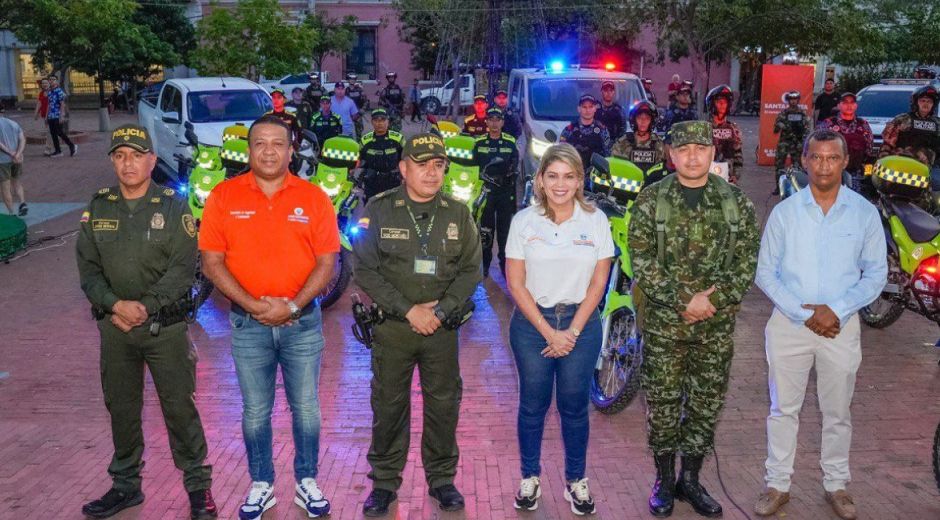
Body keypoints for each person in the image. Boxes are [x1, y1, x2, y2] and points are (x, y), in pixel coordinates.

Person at [199, 115, 340, 520]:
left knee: (307, 408)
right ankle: (261, 483)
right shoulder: (224, 197)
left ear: (291, 150)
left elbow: (327, 262)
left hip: (303, 323)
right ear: (249, 150)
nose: (268, 151)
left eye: (277, 143)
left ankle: (306, 481)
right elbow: (212, 262)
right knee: (256, 411)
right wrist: (254, 305)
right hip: (248, 324)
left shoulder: (314, 198)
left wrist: (292, 305)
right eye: (259, 143)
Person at [75, 124, 216, 520]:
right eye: (120, 156)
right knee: (120, 407)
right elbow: (87, 268)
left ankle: (198, 488)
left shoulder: (172, 205)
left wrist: (146, 305)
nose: (128, 163)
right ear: (112, 162)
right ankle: (125, 486)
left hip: (165, 330)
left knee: (179, 408)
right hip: (115, 329)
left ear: (152, 160)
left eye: (136, 155)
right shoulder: (99, 205)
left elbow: (183, 268)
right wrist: (115, 304)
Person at [628, 120, 760, 518]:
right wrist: (684, 299)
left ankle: (692, 479)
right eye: (682, 149)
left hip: (714, 326)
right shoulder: (652, 200)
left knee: (706, 404)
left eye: (699, 149)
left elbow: (746, 263)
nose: (691, 156)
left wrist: (710, 301)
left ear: (712, 153)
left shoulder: (736, 202)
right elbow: (642, 260)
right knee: (664, 403)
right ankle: (665, 480)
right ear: (670, 155)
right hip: (666, 324)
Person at [753, 129, 887, 520]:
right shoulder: (785, 213)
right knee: (783, 409)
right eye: (817, 157)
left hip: (840, 328)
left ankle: (837, 485)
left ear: (845, 162)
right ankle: (777, 484)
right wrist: (805, 312)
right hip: (789, 326)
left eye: (832, 158)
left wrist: (838, 309)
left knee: (838, 410)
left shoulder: (863, 213)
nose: (824, 165)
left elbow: (876, 274)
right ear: (805, 161)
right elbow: (766, 273)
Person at [353, 132, 482, 517]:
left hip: (441, 332)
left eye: (439, 165)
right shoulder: (377, 210)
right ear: (404, 168)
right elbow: (365, 269)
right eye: (422, 165)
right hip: (393, 329)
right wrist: (410, 310)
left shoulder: (458, 212)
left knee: (443, 406)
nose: (431, 173)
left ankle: (442, 480)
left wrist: (440, 312)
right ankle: (384, 482)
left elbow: (471, 270)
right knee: (389, 405)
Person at [504, 143, 613, 515]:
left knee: (574, 406)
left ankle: (576, 480)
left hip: (581, 327)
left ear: (580, 180)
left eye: (569, 176)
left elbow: (599, 283)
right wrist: (550, 332)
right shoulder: (524, 222)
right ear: (540, 179)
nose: (560, 184)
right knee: (533, 404)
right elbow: (515, 284)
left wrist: (571, 332)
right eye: (552, 175)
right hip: (532, 327)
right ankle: (529, 477)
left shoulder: (596, 220)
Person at [473, 107, 519, 277]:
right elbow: (473, 167)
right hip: (486, 192)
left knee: (504, 231)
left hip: (505, 193)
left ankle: (504, 264)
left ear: (502, 122)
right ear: (486, 122)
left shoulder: (510, 142)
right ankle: (484, 264)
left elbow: (515, 166)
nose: (494, 123)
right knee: (485, 230)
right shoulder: (478, 143)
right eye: (490, 119)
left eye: (497, 119)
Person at [817, 93, 874, 192]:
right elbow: (816, 146)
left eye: (852, 103)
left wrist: (868, 175)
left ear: (856, 106)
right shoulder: (828, 124)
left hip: (856, 174)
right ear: (839, 105)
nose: (849, 106)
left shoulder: (863, 124)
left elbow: (869, 152)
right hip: (832, 173)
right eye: (845, 102)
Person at [879, 85, 940, 167]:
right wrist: (883, 162)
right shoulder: (902, 119)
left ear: (933, 104)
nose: (926, 104)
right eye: (923, 100)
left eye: (929, 101)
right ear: (916, 102)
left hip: (926, 169)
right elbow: (887, 144)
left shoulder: (938, 123)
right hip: (899, 165)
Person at [559, 94, 612, 188]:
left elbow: (608, 156)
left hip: (595, 180)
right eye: (584, 107)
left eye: (591, 107)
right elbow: (561, 155)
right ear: (579, 109)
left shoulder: (602, 130)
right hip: (572, 180)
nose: (587, 110)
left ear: (595, 108)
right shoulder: (569, 130)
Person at [612, 100, 666, 186]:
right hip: (626, 188)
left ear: (652, 121)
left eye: (647, 118)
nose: (643, 121)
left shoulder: (660, 144)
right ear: (634, 119)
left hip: (653, 189)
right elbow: (614, 168)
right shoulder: (622, 143)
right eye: (639, 118)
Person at [359, 108, 404, 202]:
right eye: (376, 120)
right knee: (371, 208)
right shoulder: (365, 140)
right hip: (372, 181)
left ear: (388, 121)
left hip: (392, 181)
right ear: (372, 122)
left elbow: (407, 158)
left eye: (383, 120)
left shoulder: (398, 139)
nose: (379, 123)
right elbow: (359, 160)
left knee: (393, 208)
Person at [705, 84, 744, 183]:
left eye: (725, 102)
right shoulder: (703, 127)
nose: (722, 104)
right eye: (719, 102)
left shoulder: (733, 128)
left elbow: (738, 155)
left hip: (728, 178)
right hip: (706, 178)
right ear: (712, 104)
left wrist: (736, 175)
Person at [773, 91, 811, 182]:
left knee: (797, 166)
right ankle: (779, 186)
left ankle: (797, 185)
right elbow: (776, 127)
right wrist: (782, 125)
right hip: (784, 142)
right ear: (788, 101)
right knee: (779, 165)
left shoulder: (803, 114)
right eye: (791, 99)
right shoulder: (784, 113)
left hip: (797, 143)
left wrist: (802, 136)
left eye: (795, 99)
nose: (793, 101)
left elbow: (807, 128)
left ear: (798, 100)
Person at [0, 113, 27, 216]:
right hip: (17, 159)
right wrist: (18, 154)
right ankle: (22, 202)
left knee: (5, 187)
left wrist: (10, 153)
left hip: (3, 160)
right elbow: (22, 139)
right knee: (16, 182)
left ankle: (11, 213)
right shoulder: (13, 123)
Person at [46, 74, 76, 157]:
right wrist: (46, 116)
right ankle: (58, 151)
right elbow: (49, 104)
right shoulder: (50, 92)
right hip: (51, 116)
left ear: (56, 81)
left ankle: (71, 145)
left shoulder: (59, 91)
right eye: (50, 79)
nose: (51, 81)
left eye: (53, 79)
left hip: (57, 115)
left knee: (59, 132)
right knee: (53, 134)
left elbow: (63, 104)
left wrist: (61, 115)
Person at [33, 78, 52, 155]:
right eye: (43, 83)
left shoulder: (52, 92)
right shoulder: (41, 93)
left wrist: (47, 116)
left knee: (49, 132)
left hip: (52, 115)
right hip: (44, 115)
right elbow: (39, 103)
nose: (44, 84)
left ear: (49, 83)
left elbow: (50, 105)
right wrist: (36, 113)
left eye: (46, 83)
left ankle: (48, 149)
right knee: (51, 132)